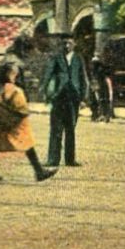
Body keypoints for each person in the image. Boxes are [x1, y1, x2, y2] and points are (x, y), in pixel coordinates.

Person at [0, 61, 57, 183]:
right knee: (27, 142)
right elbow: (21, 107)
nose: (16, 76)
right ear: (10, 74)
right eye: (14, 73)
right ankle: (39, 171)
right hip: (12, 122)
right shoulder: (14, 90)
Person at [42, 38, 87, 167]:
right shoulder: (57, 58)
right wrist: (46, 93)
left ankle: (70, 159)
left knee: (71, 128)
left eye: (70, 43)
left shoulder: (79, 59)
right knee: (55, 128)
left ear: (75, 44)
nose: (67, 46)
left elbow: (84, 78)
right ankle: (53, 159)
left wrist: (84, 98)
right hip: (59, 96)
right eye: (65, 43)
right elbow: (48, 75)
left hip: (73, 97)